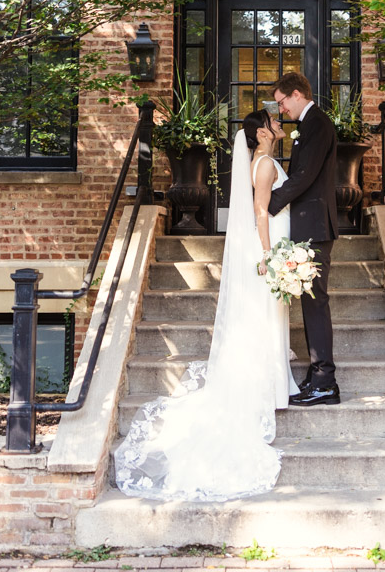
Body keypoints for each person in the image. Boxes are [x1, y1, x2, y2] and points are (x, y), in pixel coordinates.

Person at [114, 110, 298, 502]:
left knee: (266, 320)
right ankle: (269, 390)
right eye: (275, 122)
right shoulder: (264, 165)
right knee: (265, 320)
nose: (282, 125)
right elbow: (261, 213)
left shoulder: (261, 161)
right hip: (268, 252)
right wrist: (271, 257)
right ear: (263, 132)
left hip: (270, 251)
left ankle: (274, 386)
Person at [269, 72, 339, 406]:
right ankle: (317, 375)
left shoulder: (317, 123)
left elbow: (305, 175)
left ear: (297, 94)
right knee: (311, 303)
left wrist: (268, 204)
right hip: (307, 227)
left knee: (315, 303)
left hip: (315, 227)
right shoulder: (309, 124)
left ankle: (325, 381)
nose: (281, 109)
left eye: (282, 102)